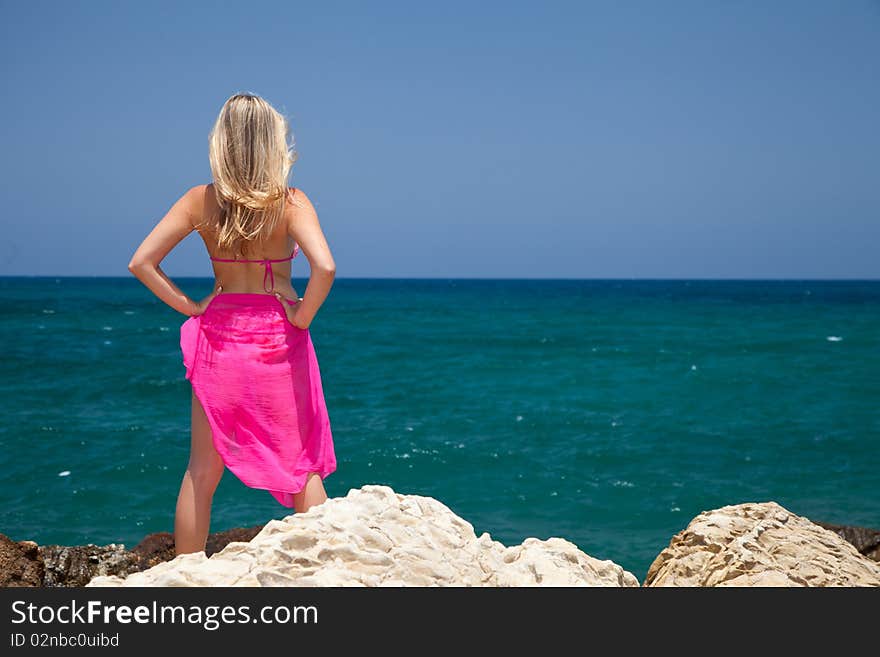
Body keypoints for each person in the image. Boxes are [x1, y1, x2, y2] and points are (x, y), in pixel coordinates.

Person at [127, 93, 337, 556]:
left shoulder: (199, 201)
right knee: (301, 466)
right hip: (275, 340)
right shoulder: (290, 203)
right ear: (273, 142)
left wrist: (190, 306)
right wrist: (301, 315)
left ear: (221, 142)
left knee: (201, 472)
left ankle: (187, 576)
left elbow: (142, 262)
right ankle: (328, 570)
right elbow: (324, 267)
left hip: (218, 339)